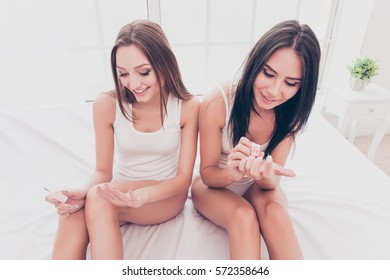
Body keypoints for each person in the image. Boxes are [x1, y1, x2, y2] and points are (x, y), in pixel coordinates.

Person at [45, 19, 199, 259]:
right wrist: (82, 191)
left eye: (144, 72)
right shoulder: (106, 105)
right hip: (117, 192)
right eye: (123, 74)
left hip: (164, 196)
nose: (133, 84)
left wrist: (142, 196)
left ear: (164, 64)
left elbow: (183, 180)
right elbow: (103, 171)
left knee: (98, 197)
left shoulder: (187, 107)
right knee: (72, 212)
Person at [191, 20, 321, 260]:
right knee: (244, 217)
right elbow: (207, 173)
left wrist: (267, 175)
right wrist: (233, 173)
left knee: (275, 213)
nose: (274, 90)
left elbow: (271, 185)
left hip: (257, 186)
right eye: (268, 74)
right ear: (255, 63)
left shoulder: (292, 115)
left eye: (290, 83)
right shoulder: (218, 102)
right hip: (213, 184)